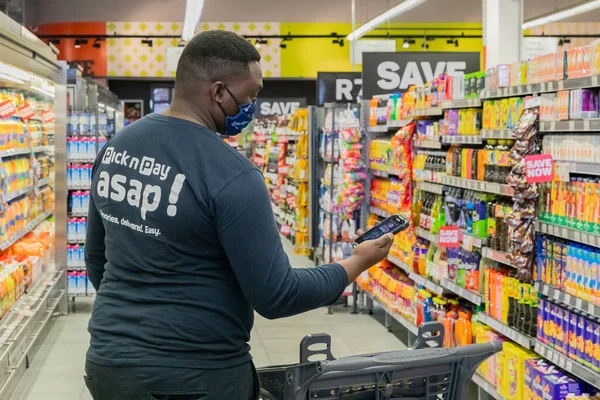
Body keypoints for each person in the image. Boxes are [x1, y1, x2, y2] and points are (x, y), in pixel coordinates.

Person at [83, 30, 393, 400]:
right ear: (217, 92)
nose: (254, 106)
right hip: (197, 375)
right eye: (252, 95)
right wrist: (355, 264)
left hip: (109, 365)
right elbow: (277, 295)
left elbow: (97, 261)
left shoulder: (116, 148)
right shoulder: (233, 175)